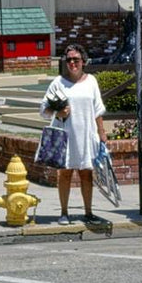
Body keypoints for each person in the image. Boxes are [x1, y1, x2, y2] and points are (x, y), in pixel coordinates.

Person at [39, 43, 107, 225]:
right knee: (65, 174)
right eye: (68, 60)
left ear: (83, 61)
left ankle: (88, 211)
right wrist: (57, 113)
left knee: (86, 174)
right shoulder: (58, 83)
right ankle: (63, 212)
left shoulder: (91, 81)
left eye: (76, 59)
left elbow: (97, 109)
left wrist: (101, 132)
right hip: (65, 136)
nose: (72, 63)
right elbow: (43, 108)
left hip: (86, 134)